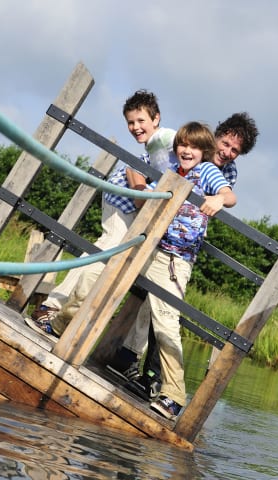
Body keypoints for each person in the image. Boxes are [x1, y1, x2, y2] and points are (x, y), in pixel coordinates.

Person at [119, 112, 259, 401]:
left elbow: (226, 195)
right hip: (157, 235)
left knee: (167, 311)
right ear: (213, 140)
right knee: (142, 297)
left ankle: (161, 383)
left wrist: (218, 199)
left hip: (181, 246)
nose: (227, 152)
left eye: (235, 151)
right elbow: (144, 164)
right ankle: (129, 359)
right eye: (225, 144)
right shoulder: (187, 153)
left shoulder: (222, 172)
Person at [29, 89, 177, 335]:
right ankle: (52, 305)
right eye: (130, 122)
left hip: (134, 205)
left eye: (141, 121)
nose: (135, 127)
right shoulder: (160, 141)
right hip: (122, 198)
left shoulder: (161, 143)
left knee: (105, 255)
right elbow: (135, 170)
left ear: (156, 119)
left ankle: (61, 310)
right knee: (104, 251)